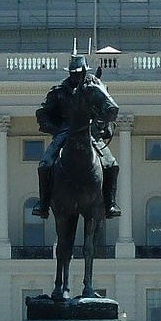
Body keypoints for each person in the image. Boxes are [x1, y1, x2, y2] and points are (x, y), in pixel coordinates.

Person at [32, 54, 121, 218]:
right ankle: (43, 204)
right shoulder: (59, 91)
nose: (76, 76)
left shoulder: (95, 87)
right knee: (45, 164)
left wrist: (99, 125)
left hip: (91, 132)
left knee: (112, 165)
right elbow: (42, 112)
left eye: (79, 72)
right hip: (65, 131)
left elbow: (108, 108)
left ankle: (110, 203)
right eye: (73, 73)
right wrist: (53, 129)